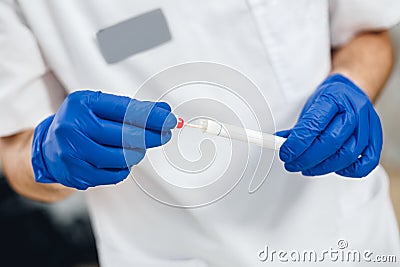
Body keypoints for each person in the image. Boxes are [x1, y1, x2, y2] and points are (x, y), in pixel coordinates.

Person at [1, 1, 399, 266]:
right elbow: (13, 147)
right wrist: (43, 155)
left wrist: (352, 84)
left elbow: (369, 35)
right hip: (166, 254)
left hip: (345, 240)